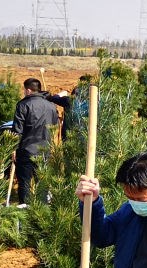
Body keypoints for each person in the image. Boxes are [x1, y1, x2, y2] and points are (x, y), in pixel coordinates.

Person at [11, 77, 61, 206]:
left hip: (26, 150)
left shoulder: (23, 105)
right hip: (45, 151)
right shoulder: (51, 106)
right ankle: (41, 215)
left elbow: (17, 130)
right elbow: (55, 125)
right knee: (42, 185)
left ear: (28, 90)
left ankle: (25, 216)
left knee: (25, 184)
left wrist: (13, 148)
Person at [45, 74, 92, 140]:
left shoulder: (69, 100)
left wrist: (61, 94)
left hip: (69, 134)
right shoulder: (94, 102)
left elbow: (53, 98)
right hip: (87, 135)